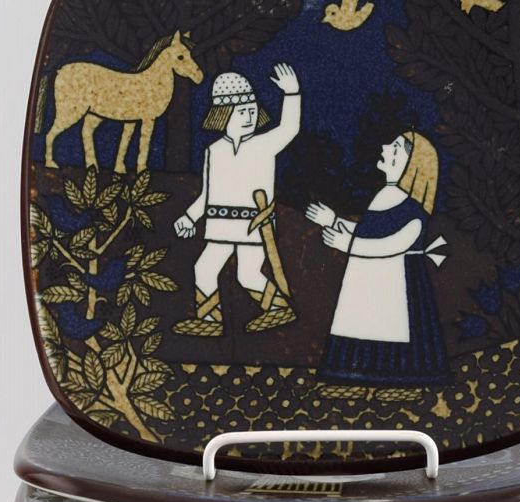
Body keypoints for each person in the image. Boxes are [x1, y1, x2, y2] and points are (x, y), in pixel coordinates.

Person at [306, 130, 448, 388]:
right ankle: (348, 377)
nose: (384, 147)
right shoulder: (384, 195)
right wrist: (334, 221)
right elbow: (369, 231)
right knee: (360, 322)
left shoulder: (412, 210)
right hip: (367, 279)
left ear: (412, 164)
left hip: (396, 282)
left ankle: (402, 382)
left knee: (391, 327)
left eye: (395, 147)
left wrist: (346, 244)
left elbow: (392, 244)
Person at [173, 64, 300, 336]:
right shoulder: (214, 150)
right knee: (204, 268)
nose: (249, 117)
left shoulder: (264, 144)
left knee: (248, 274)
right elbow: (208, 193)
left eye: (252, 111)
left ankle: (278, 309)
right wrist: (189, 217)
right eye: (241, 112)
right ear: (223, 114)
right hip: (220, 225)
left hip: (254, 225)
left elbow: (289, 128)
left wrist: (292, 94)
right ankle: (210, 322)